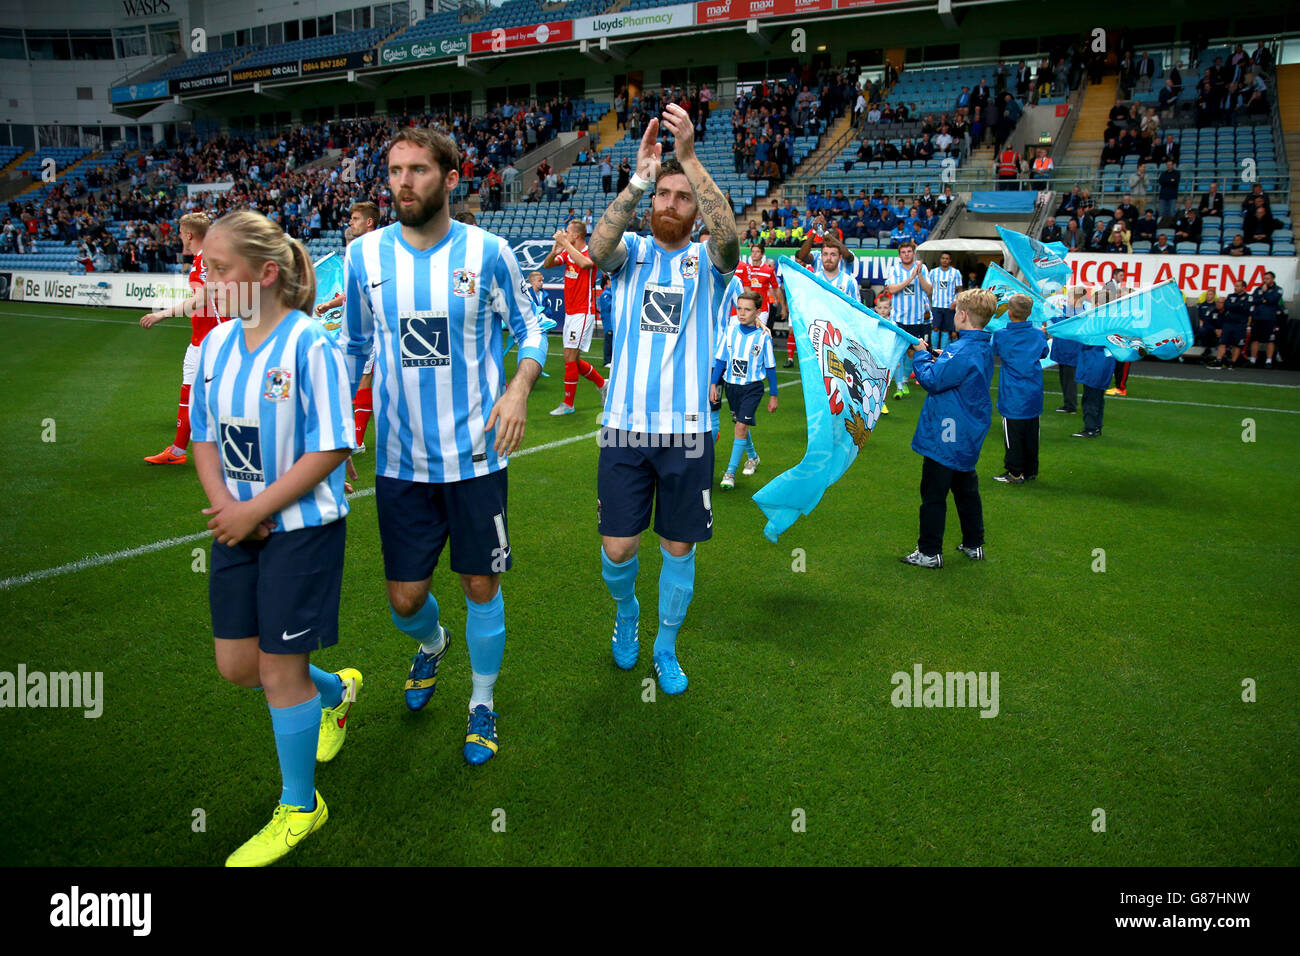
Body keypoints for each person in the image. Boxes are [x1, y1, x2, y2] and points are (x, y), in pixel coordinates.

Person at [342, 127, 548, 765]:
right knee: (405, 599)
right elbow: (353, 346)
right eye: (395, 170)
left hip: (477, 459)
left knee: (479, 585)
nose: (403, 182)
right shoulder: (364, 258)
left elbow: (531, 327)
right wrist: (342, 431)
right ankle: (433, 644)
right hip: (401, 464)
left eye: (418, 171)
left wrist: (518, 388)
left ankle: (481, 701)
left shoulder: (488, 254)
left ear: (451, 179)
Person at [189, 209, 358, 866]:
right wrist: (227, 505)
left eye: (218, 268)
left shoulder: (309, 344)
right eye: (205, 266)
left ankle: (300, 806)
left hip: (301, 530)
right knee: (239, 668)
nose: (207, 278)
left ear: (263, 275)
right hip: (238, 524)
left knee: (276, 668)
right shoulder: (214, 347)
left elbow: (333, 445)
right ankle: (336, 691)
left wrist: (257, 506)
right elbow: (204, 434)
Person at [587, 103, 738, 695]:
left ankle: (666, 645)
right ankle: (627, 615)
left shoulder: (708, 263)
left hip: (688, 431)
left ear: (695, 210)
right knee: (618, 546)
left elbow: (731, 238)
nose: (671, 204)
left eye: (682, 198)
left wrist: (689, 160)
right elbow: (598, 248)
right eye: (664, 196)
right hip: (624, 429)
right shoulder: (631, 255)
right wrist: (641, 178)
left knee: (678, 546)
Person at [899, 289, 997, 568]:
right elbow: (959, 368)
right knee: (966, 487)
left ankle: (929, 552)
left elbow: (932, 380)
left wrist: (921, 355)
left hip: (948, 432)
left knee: (933, 491)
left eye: (956, 311)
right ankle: (973, 543)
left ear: (963, 315)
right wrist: (944, 356)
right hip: (966, 430)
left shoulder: (961, 350)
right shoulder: (978, 346)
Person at [139, 212, 229, 465]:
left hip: (211, 340)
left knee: (202, 395)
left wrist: (162, 314)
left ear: (189, 234)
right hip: (205, 337)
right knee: (193, 393)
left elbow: (201, 300)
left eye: (180, 232)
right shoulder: (211, 257)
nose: (179, 236)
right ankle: (178, 451)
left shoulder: (204, 261)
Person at [314, 202, 380, 455]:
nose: (350, 223)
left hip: (368, 326)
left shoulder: (370, 250)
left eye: (354, 219)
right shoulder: (359, 250)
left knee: (363, 376)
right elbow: (354, 290)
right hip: (355, 325)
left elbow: (367, 289)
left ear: (369, 222)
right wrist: (332, 303)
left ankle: (356, 440)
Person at [712, 291, 779, 489]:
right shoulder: (730, 331)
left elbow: (771, 367)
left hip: (752, 388)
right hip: (732, 387)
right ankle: (753, 457)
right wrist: (713, 384)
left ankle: (730, 473)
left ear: (758, 312)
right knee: (741, 424)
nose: (742, 313)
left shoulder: (763, 337)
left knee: (740, 427)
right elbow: (721, 360)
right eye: (739, 308)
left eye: (748, 309)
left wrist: (773, 395)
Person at [542, 220, 606, 415]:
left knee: (569, 357)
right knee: (573, 361)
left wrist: (566, 245)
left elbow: (585, 263)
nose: (564, 233)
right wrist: (555, 249)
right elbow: (547, 265)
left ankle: (568, 404)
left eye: (568, 232)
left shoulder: (590, 253)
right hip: (571, 312)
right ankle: (603, 385)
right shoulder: (568, 253)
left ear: (576, 235)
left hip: (582, 312)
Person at [991, 294, 1049, 483]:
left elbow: (994, 350)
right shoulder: (1038, 335)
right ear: (1030, 312)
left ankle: (1015, 473)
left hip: (1013, 394)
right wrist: (1041, 334)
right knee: (1032, 434)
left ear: (1009, 312)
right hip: (1033, 392)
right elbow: (1043, 352)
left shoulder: (1001, 335)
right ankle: (1030, 470)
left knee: (1013, 435)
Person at [792, 223, 857, 366]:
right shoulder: (817, 256)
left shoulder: (846, 255)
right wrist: (815, 231)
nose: (829, 256)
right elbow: (801, 255)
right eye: (826, 251)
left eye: (833, 241)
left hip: (840, 323)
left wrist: (826, 233)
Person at [883, 240, 932, 398]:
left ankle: (905, 379)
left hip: (916, 318)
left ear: (913, 253)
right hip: (898, 318)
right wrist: (910, 278)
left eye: (909, 252)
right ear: (899, 255)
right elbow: (891, 289)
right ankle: (900, 385)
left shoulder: (922, 268)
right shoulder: (895, 269)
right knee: (898, 352)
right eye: (903, 252)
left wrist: (918, 275)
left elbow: (929, 290)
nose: (906, 255)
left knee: (914, 352)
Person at [1073, 336, 1115, 439]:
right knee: (1098, 398)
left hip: (1094, 363)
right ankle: (1097, 426)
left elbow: (1084, 340)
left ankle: (1090, 429)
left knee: (1090, 399)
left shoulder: (1095, 331)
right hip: (1105, 362)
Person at [1210, 280, 1252, 369]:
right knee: (1223, 342)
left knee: (1237, 344)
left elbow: (1246, 308)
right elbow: (1227, 306)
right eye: (1235, 286)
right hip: (1228, 323)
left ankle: (1233, 362)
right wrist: (1239, 305)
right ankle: (1218, 361)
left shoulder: (1248, 297)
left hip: (1240, 324)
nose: (1235, 288)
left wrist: (1235, 306)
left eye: (1238, 286)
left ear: (1243, 287)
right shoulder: (1230, 296)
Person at [1250, 271, 1285, 368]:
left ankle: (1268, 361)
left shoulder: (1278, 289)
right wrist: (1264, 299)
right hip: (1258, 318)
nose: (1265, 281)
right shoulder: (1258, 288)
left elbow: (1273, 300)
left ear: (1273, 279)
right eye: (1264, 278)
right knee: (1255, 339)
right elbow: (1253, 300)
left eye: (1268, 278)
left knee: (1270, 340)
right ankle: (1252, 360)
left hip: (1270, 318)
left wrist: (1264, 294)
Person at [928, 251, 962, 351]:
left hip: (949, 306)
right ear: (940, 259)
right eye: (943, 258)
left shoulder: (955, 272)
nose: (944, 260)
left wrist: (955, 301)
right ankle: (934, 350)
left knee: (946, 330)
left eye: (947, 258)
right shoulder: (933, 272)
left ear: (950, 260)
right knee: (935, 328)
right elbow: (929, 288)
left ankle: (943, 351)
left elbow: (959, 289)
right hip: (936, 305)